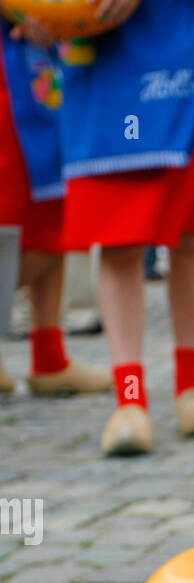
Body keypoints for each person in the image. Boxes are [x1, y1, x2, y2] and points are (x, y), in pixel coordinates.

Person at [60, 0, 194, 457]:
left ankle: (190, 386)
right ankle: (131, 397)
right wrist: (36, 16)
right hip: (104, 44)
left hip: (191, 44)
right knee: (119, 238)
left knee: (190, 233)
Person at [0, 15, 110, 397]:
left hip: (39, 66)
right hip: (14, 72)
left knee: (49, 206)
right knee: (18, 213)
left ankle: (49, 355)